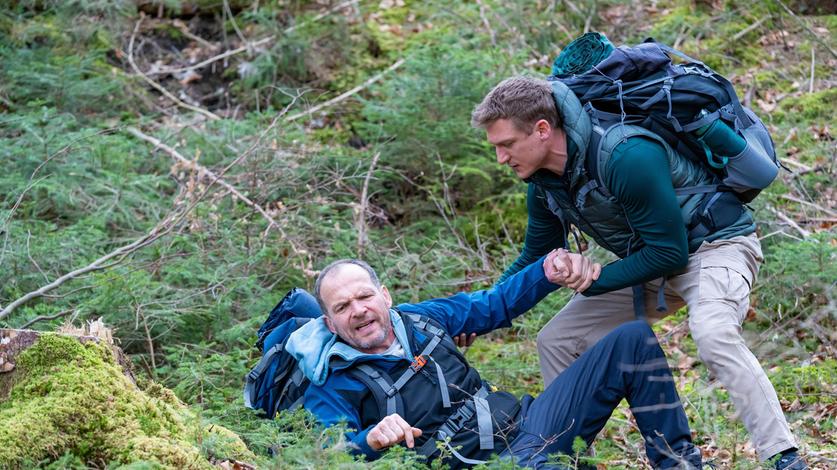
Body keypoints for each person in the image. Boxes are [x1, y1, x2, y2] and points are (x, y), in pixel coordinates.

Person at [470, 75, 805, 469]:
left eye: (506, 145)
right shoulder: (544, 184)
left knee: (713, 332)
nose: (501, 159)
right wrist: (479, 315)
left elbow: (671, 253)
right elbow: (534, 255)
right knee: (557, 338)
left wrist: (597, 280)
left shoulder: (625, 155)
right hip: (651, 260)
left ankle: (782, 455)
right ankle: (566, 460)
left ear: (542, 130)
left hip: (715, 247)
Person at [285, 254, 703, 469]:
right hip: (479, 464)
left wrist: (545, 270)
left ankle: (679, 464)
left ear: (385, 296)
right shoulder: (330, 380)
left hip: (531, 423)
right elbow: (332, 455)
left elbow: (495, 305)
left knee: (630, 338)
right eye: (343, 307)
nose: (358, 310)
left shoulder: (421, 319)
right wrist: (370, 440)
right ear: (330, 321)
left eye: (364, 297)